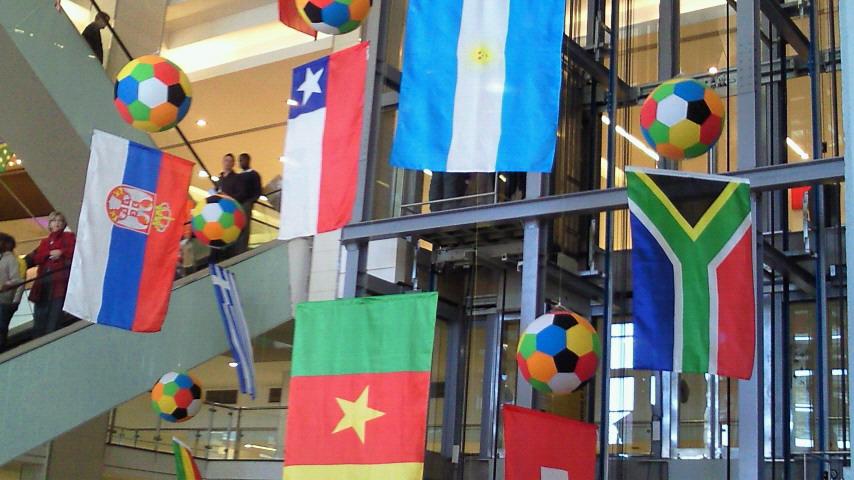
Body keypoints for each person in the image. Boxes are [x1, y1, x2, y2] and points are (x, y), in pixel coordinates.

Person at [26, 212, 75, 338]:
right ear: (50, 224)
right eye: (54, 220)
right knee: (40, 315)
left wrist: (61, 252)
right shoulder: (45, 241)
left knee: (55, 314)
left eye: (60, 220)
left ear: (64, 224)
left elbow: (73, 251)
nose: (57, 223)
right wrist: (49, 253)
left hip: (59, 281)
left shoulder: (69, 237)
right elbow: (37, 258)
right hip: (43, 283)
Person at [0, 233, 23, 351]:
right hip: (4, 299)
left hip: (4, 299)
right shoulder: (4, 259)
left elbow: (17, 280)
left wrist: (6, 285)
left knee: (1, 327)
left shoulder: (10, 259)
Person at [236, 152, 262, 254]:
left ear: (248, 160)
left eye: (242, 160)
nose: (240, 162)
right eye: (239, 160)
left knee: (245, 226)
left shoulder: (254, 174)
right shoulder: (238, 176)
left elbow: (258, 190)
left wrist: (251, 201)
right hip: (237, 204)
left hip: (246, 203)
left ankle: (242, 249)